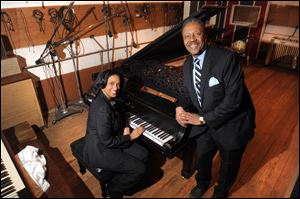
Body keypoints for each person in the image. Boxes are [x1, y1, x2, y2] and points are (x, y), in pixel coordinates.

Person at [175, 18, 256, 198]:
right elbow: (188, 92)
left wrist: (202, 119)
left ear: (205, 36)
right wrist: (179, 107)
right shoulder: (188, 63)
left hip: (231, 124)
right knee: (202, 158)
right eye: (187, 36)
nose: (192, 39)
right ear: (183, 40)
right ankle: (202, 183)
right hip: (206, 124)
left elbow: (233, 102)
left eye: (196, 34)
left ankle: (221, 191)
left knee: (228, 165)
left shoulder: (227, 59)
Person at [83, 69, 148, 198]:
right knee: (140, 169)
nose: (116, 88)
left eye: (118, 84)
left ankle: (125, 182)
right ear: (102, 83)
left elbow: (120, 113)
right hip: (101, 150)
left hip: (110, 139)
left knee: (144, 153)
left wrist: (125, 127)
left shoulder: (106, 97)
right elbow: (107, 141)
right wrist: (130, 136)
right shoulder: (102, 108)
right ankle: (114, 190)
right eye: (111, 84)